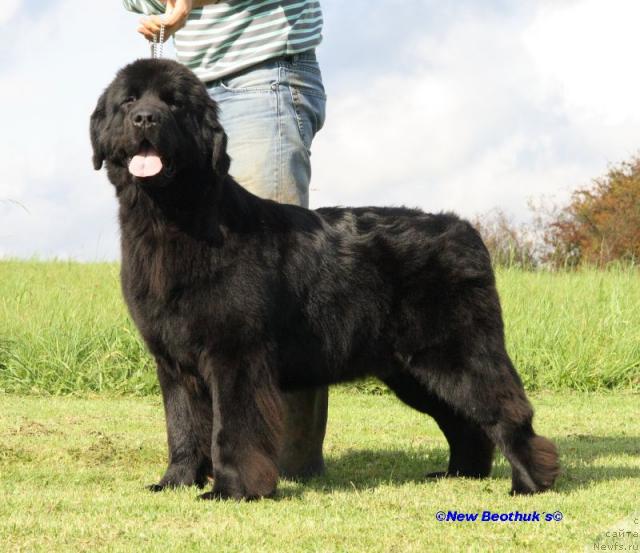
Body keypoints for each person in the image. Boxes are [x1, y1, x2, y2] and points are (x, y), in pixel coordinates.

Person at [122, 0, 329, 478]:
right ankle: (204, 459)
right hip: (188, 89)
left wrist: (187, 5)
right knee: (199, 307)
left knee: (280, 291)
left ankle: (284, 463)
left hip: (263, 74)